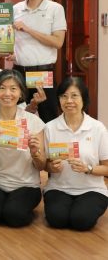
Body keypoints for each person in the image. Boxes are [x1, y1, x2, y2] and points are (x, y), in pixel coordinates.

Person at [0, 70, 46, 227]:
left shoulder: (33, 122)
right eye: (2, 88)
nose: (7, 93)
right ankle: (4, 205)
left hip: (27, 185)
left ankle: (13, 206)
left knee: (14, 216)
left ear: (21, 93)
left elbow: (41, 166)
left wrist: (35, 152)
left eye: (13, 88)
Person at [43, 77, 107, 231]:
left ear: (84, 99)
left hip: (92, 189)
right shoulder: (50, 127)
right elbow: (45, 165)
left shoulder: (97, 128)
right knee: (57, 220)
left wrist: (88, 169)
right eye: (64, 96)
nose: (69, 101)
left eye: (74, 96)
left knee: (81, 220)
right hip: (58, 187)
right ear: (59, 100)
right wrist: (51, 167)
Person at [11, 0, 66, 122]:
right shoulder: (15, 9)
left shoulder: (55, 9)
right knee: (19, 117)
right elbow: (10, 38)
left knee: (48, 118)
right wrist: (11, 52)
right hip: (19, 72)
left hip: (43, 73)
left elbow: (58, 42)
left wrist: (28, 30)